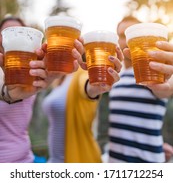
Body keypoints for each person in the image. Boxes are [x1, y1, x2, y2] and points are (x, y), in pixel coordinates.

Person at [73, 16, 173, 163]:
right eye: (122, 36)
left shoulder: (156, 71)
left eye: (131, 34)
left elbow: (165, 90)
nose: (126, 41)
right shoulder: (115, 75)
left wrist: (160, 84)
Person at [42, 49, 123, 163]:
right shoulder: (58, 79)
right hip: (55, 160)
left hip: (80, 159)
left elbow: (86, 86)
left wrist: (93, 87)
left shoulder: (82, 73)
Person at [0, 15, 50, 163]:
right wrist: (7, 93)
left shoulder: (32, 72)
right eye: (8, 31)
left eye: (21, 32)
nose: (16, 36)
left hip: (24, 162)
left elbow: (50, 78)